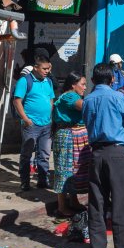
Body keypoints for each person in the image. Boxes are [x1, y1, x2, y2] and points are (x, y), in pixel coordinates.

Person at [82, 63, 124, 248]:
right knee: (122, 202)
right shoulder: (117, 97)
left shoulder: (88, 99)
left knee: (96, 202)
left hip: (96, 153)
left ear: (93, 80)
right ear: (113, 79)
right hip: (116, 152)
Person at [13, 54, 54, 192]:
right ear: (36, 68)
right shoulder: (25, 81)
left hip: (46, 124)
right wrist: (25, 119)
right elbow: (17, 100)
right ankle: (25, 182)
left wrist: (49, 115)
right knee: (27, 153)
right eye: (44, 68)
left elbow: (51, 99)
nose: (47, 71)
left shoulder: (48, 81)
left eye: (48, 68)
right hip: (31, 125)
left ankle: (43, 180)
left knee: (44, 154)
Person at [52, 72, 88, 217]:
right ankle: (61, 207)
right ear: (73, 85)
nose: (85, 87)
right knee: (64, 170)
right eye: (83, 84)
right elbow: (84, 106)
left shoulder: (74, 95)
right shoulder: (70, 96)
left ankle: (73, 201)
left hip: (72, 135)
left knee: (73, 170)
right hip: (67, 136)